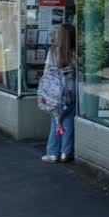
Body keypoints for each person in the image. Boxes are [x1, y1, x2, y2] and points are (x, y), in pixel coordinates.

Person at [42, 23, 76, 164]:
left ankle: (52, 153)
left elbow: (46, 72)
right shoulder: (75, 52)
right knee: (68, 122)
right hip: (71, 92)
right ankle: (65, 153)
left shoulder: (53, 51)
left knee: (56, 122)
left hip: (56, 93)